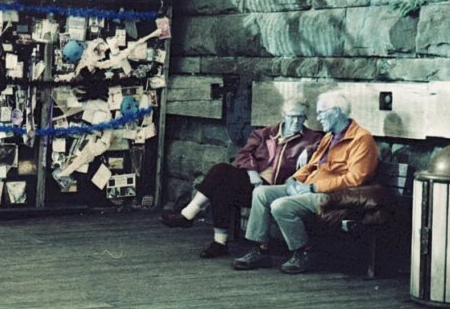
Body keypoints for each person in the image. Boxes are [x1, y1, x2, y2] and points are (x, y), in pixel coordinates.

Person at [233, 90, 380, 274]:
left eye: (320, 112)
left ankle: (304, 252)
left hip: (332, 196)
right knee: (261, 193)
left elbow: (355, 179)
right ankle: (261, 249)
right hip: (310, 188)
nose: (317, 118)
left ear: (336, 111)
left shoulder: (361, 139)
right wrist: (294, 180)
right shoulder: (329, 136)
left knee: (281, 205)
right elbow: (312, 165)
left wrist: (313, 187)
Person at [161, 98, 323, 259]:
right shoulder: (265, 133)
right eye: (292, 116)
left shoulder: (312, 139)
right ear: (283, 115)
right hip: (253, 183)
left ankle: (194, 220)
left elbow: (319, 158)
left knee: (222, 179)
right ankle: (215, 239)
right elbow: (244, 154)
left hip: (276, 190)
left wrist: (307, 151)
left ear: (305, 118)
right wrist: (253, 174)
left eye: (300, 117)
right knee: (221, 175)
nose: (296, 121)